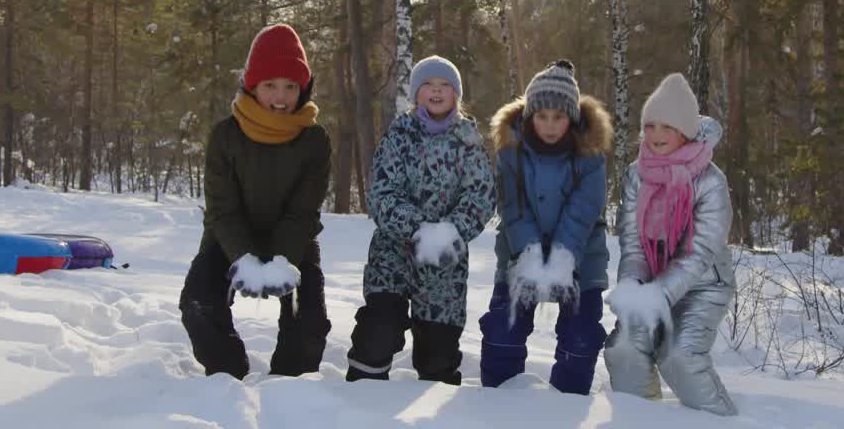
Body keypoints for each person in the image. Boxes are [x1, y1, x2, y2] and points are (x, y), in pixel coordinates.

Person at [179, 23, 332, 380]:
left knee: (310, 321)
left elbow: (304, 210)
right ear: (253, 86)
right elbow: (222, 209)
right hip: (228, 239)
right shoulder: (225, 136)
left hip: (294, 242)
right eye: (270, 86)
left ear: (303, 88)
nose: (281, 96)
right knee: (198, 303)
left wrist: (283, 260)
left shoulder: (314, 140)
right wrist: (243, 259)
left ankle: (288, 384)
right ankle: (227, 372)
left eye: (291, 86)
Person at [345, 55, 497, 385]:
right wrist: (417, 229)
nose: (437, 91)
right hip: (394, 253)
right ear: (416, 94)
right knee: (378, 331)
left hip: (445, 261)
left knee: (437, 354)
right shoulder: (399, 135)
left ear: (456, 94)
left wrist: (449, 233)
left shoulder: (468, 141)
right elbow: (381, 194)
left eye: (445, 85)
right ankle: (361, 399)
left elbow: (481, 196)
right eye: (428, 85)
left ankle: (436, 426)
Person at [604, 72, 737, 415]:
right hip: (651, 284)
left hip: (703, 286)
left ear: (685, 131)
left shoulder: (710, 181)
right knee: (624, 350)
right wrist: (632, 286)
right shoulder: (637, 174)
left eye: (667, 127)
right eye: (650, 126)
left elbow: (700, 253)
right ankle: (640, 424)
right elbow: (632, 242)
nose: (657, 135)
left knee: (679, 356)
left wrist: (658, 295)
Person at [480, 60, 613, 395]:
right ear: (529, 117)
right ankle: (498, 397)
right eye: (542, 117)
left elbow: (584, 210)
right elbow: (512, 207)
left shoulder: (590, 154)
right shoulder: (511, 153)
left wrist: (562, 256)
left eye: (559, 117)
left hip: (581, 257)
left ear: (572, 117)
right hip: (520, 251)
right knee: (503, 329)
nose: (550, 125)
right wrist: (530, 252)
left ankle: (567, 401)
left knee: (580, 335)